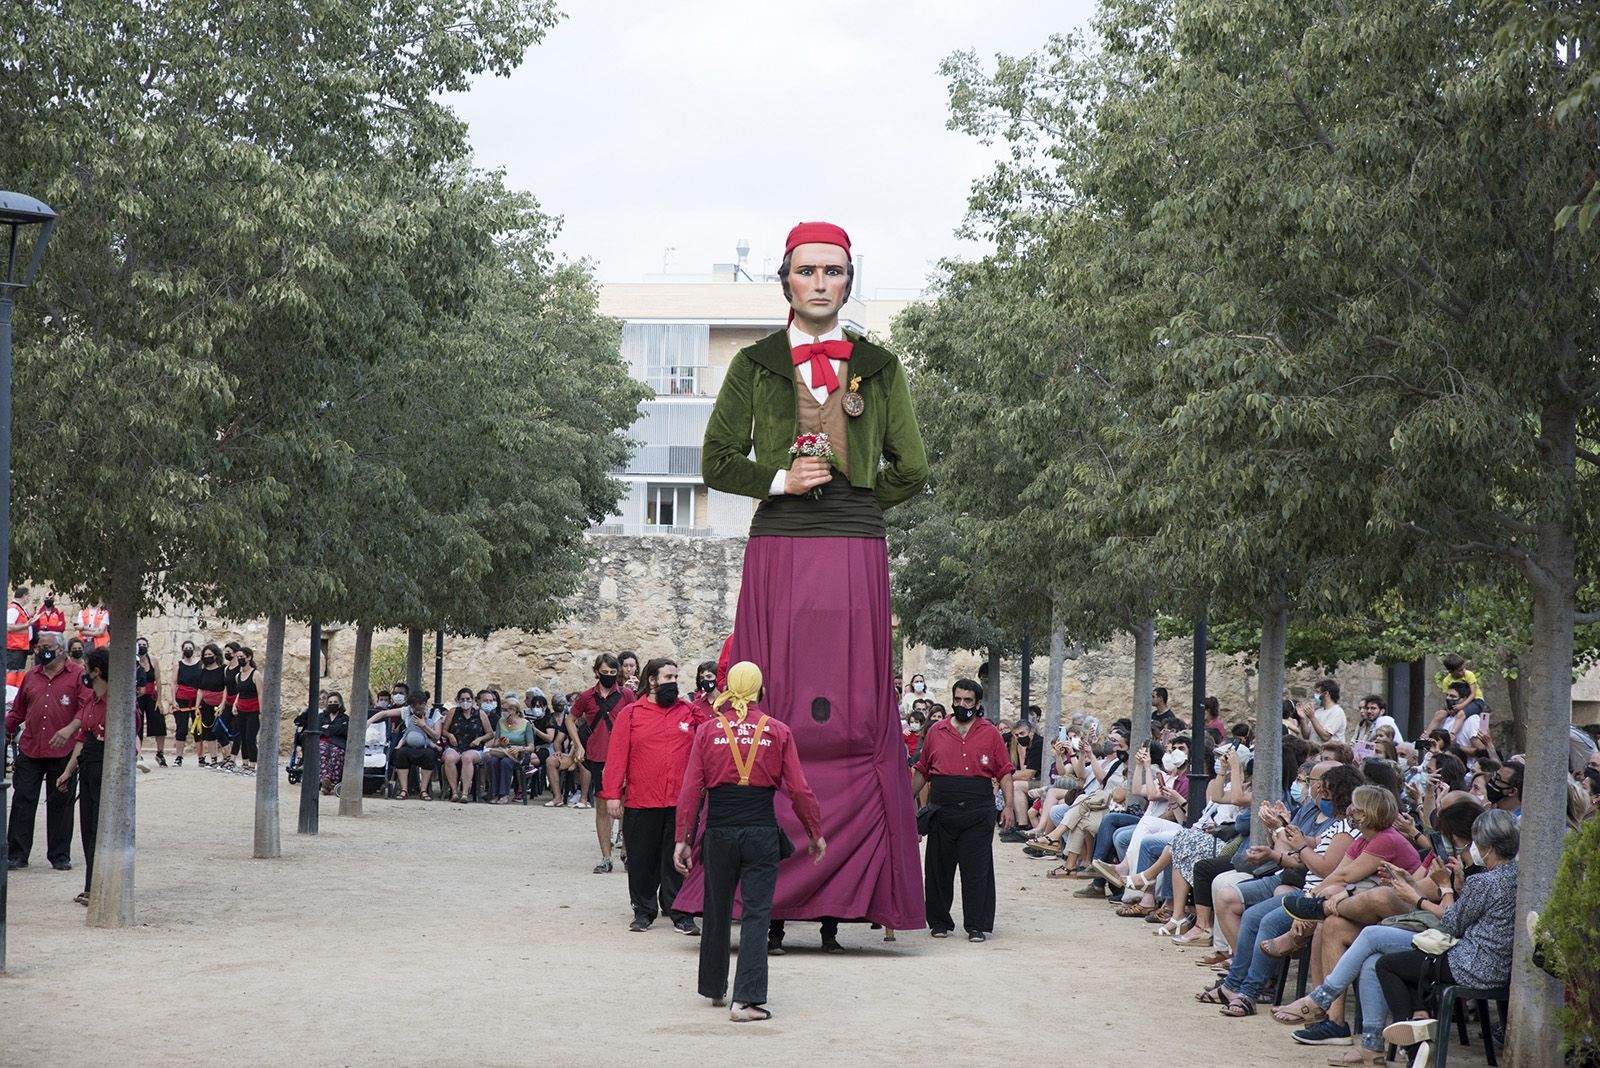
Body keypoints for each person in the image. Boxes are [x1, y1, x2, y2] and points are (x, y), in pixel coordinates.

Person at [683, 220, 929, 937]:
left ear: (849, 281)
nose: (821, 283)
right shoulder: (755, 363)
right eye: (807, 271)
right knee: (772, 703)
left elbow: (913, 469)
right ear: (785, 279)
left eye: (834, 272)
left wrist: (854, 499)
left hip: (853, 547)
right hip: (780, 545)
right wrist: (783, 479)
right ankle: (761, 892)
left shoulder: (880, 366)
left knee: (854, 713)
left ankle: (851, 895)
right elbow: (718, 462)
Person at [674, 660, 825, 1023]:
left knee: (716, 908)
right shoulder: (778, 731)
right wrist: (814, 833)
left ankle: (713, 987)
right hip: (760, 831)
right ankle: (746, 1000)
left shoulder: (708, 731)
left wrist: (683, 839)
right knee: (757, 914)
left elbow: (691, 788)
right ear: (760, 690)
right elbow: (799, 789)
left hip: (720, 830)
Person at [600, 657, 709, 934]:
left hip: (679, 802)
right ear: (652, 680)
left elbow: (712, 730)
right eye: (668, 677)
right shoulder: (632, 714)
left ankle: (679, 912)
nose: (673, 683)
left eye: (675, 678)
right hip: (641, 800)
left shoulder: (688, 711)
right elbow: (616, 758)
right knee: (641, 859)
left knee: (676, 859)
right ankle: (643, 911)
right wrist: (613, 795)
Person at [911, 678, 1015, 942]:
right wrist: (904, 801)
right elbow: (923, 770)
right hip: (942, 810)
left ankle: (976, 925)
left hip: (978, 811)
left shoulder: (990, 733)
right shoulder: (937, 730)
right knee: (938, 870)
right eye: (957, 700)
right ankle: (939, 922)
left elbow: (1004, 772)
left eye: (968, 700)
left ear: (977, 703)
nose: (962, 705)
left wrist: (1010, 807)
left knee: (976, 870)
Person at [5, 632, 87, 870]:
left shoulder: (78, 675)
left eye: (46, 647)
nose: (41, 651)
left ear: (61, 650)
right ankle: (17, 854)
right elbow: (18, 711)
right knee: (22, 801)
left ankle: (59, 855)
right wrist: (7, 728)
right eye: (39, 647)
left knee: (61, 802)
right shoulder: (31, 676)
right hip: (31, 747)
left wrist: (69, 729)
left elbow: (84, 710)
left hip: (63, 751)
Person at [56, 647, 111, 904]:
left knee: (99, 829)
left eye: (87, 666)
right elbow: (82, 738)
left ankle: (102, 888)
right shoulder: (92, 700)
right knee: (88, 829)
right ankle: (91, 886)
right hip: (88, 766)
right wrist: (68, 771)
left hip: (104, 770)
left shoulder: (116, 703)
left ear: (96, 671)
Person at [571, 653, 628, 868]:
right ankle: (606, 858)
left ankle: (625, 852)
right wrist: (579, 744)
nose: (609, 676)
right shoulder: (586, 697)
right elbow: (570, 719)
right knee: (602, 808)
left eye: (613, 673)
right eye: (605, 673)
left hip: (623, 757)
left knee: (626, 806)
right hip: (598, 756)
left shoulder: (627, 695)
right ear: (597, 672)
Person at [388, 690, 442, 799]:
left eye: (418, 707)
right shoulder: (407, 712)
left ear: (424, 704)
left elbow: (437, 736)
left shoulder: (434, 713)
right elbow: (384, 714)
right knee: (400, 753)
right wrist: (369, 721)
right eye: (413, 707)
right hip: (409, 746)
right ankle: (404, 790)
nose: (415, 710)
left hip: (425, 746)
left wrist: (424, 725)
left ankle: (423, 790)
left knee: (429, 755)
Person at [441, 687, 491, 802]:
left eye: (468, 699)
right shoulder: (453, 712)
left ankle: (465, 792)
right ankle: (454, 791)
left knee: (467, 758)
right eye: (462, 699)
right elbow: (444, 730)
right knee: (449, 758)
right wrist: (450, 735)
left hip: (474, 748)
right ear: (458, 700)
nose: (465, 702)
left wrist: (480, 739)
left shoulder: (480, 714)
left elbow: (490, 733)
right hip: (456, 746)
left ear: (472, 700)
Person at [484, 698, 535, 803]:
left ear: (514, 710)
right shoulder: (500, 722)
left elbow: (531, 747)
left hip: (519, 754)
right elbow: (494, 743)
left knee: (505, 762)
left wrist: (520, 748)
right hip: (503, 751)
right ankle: (494, 794)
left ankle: (504, 794)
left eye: (506, 710)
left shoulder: (526, 724)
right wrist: (500, 742)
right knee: (492, 761)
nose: (504, 712)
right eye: (503, 709)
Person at [194, 643, 227, 767]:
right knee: (208, 733)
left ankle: (227, 758)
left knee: (221, 731)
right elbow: (200, 690)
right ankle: (214, 759)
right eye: (205, 654)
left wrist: (223, 704)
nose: (207, 656)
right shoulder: (203, 671)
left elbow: (226, 688)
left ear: (216, 655)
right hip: (206, 705)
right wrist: (197, 706)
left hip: (220, 705)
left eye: (210, 654)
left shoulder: (223, 669)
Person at [170, 640, 202, 766]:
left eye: (190, 648)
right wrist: (173, 700)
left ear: (193, 650)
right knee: (181, 729)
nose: (188, 649)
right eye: (186, 648)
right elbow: (173, 683)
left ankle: (201, 757)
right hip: (182, 699)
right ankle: (179, 757)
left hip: (196, 700)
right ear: (182, 650)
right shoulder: (178, 665)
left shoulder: (200, 664)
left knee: (198, 729)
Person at [135, 637, 166, 766]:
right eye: (140, 644)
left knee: (159, 723)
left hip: (152, 696)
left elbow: (158, 681)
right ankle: (139, 754)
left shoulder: (153, 660)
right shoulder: (134, 661)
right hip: (138, 696)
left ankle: (160, 753)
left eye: (144, 644)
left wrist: (159, 700)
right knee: (138, 726)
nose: (142, 646)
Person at [232, 646, 261, 775]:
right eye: (238, 657)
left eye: (242, 657)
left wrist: (262, 711)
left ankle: (253, 763)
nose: (240, 659)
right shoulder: (238, 676)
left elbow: (260, 693)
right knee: (242, 737)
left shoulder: (256, 674)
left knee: (250, 737)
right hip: (241, 710)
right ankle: (245, 762)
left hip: (253, 710)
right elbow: (239, 692)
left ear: (249, 657)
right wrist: (235, 704)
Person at [1295, 679, 1348, 743]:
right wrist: (1302, 719)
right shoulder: (1318, 712)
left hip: (1331, 752)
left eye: (1317, 692)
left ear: (1326, 694)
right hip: (1315, 752)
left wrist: (1312, 717)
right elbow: (1306, 736)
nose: (1315, 695)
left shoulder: (1337, 712)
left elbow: (1325, 736)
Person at [317, 692, 350, 795]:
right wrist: (334, 729)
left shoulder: (344, 718)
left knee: (337, 753)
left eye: (335, 702)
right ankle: (326, 779)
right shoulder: (321, 717)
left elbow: (344, 731)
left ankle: (331, 782)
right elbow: (318, 729)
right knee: (321, 751)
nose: (332, 704)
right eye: (330, 702)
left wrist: (328, 728)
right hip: (323, 742)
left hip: (338, 743)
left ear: (340, 704)